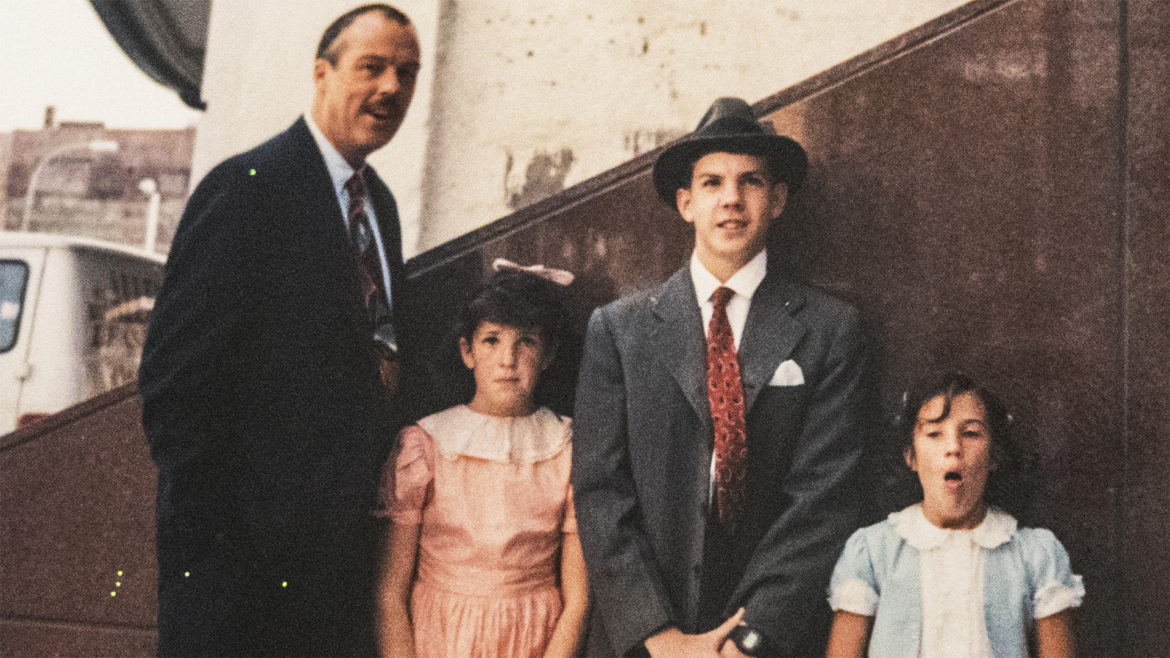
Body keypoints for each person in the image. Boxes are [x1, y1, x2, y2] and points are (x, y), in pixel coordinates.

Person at [138, 4, 421, 655]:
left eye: (406, 73)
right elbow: (175, 390)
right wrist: (227, 550)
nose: (391, 88)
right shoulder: (247, 189)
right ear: (322, 73)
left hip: (338, 576)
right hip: (242, 587)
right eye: (371, 67)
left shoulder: (379, 205)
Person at [572, 97, 868, 657]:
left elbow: (823, 500)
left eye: (750, 181)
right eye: (712, 182)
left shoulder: (830, 330)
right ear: (685, 202)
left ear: (777, 199)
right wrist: (658, 637)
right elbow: (600, 492)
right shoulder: (619, 330)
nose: (731, 198)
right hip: (647, 641)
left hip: (767, 640)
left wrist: (748, 641)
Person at [375, 261, 588, 658]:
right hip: (442, 639)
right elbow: (390, 594)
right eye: (492, 340)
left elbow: (577, 599)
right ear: (467, 351)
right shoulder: (426, 445)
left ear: (548, 354)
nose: (508, 359)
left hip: (534, 640)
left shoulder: (566, 447)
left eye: (526, 341)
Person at [825, 373, 1083, 657]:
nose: (953, 448)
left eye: (971, 433)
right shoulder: (873, 552)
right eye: (934, 434)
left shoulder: (1034, 555)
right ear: (911, 455)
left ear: (994, 455)